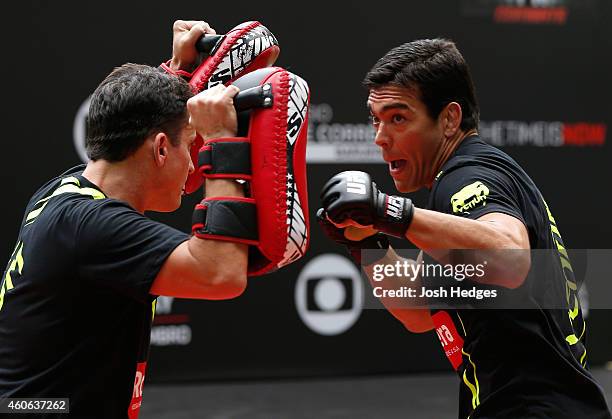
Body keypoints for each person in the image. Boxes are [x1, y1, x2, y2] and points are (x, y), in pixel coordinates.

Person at [319, 38, 612, 418]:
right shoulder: (454, 192)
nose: (380, 137)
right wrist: (365, 243)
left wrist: (389, 212)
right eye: (376, 120)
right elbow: (420, 309)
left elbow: (510, 259)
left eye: (398, 118)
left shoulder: (466, 177)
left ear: (449, 119)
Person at [0, 20, 246, 418]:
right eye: (192, 145)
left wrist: (177, 73)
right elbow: (222, 273)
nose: (193, 162)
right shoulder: (92, 226)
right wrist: (222, 142)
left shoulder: (65, 192)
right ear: (162, 148)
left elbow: (134, 125)